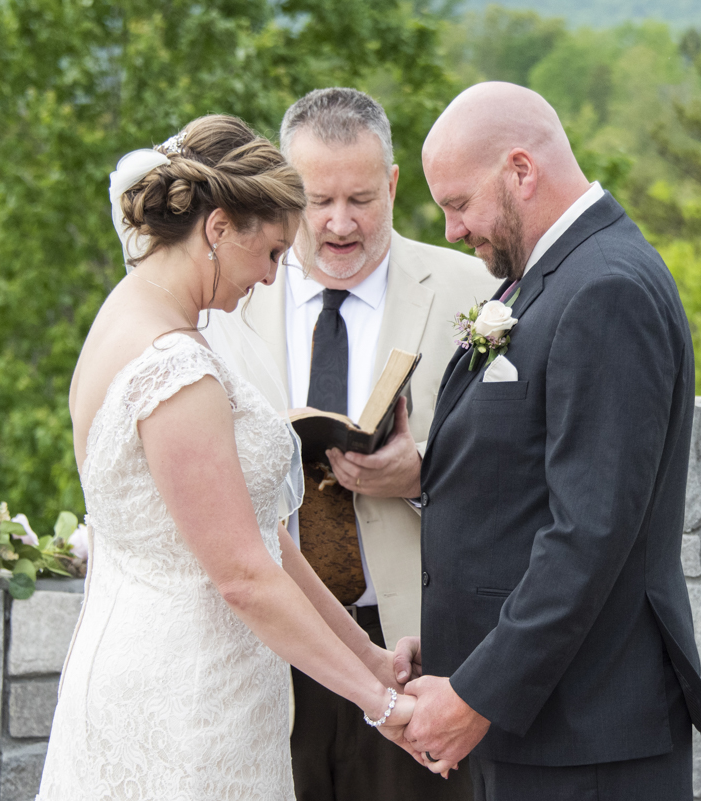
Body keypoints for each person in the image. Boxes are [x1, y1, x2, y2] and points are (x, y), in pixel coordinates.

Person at [36, 114, 422, 801]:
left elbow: (266, 542)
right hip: (188, 692)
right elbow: (243, 574)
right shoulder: (173, 367)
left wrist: (370, 659)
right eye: (272, 252)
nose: (275, 277)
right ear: (217, 229)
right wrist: (380, 705)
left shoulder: (130, 316)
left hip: (166, 663)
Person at [392, 82, 701, 799]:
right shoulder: (542, 276)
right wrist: (457, 634)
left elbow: (590, 533)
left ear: (521, 170)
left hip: (587, 740)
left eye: (458, 204)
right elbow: (514, 490)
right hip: (540, 726)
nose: (452, 230)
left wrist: (477, 691)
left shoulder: (607, 288)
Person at [233, 87, 496, 801]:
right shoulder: (232, 296)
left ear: (393, 185)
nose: (339, 224)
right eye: (318, 201)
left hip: (415, 647)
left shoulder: (471, 291)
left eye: (361, 199)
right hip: (268, 646)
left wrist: (422, 475)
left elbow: (519, 469)